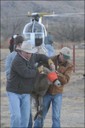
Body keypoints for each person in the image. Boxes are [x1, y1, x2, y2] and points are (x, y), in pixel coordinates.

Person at [6, 40, 55, 128]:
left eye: (30, 52)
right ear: (21, 51)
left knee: (25, 119)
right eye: (27, 52)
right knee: (16, 116)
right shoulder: (17, 61)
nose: (29, 54)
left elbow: (42, 56)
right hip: (14, 92)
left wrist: (50, 62)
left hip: (26, 92)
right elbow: (26, 73)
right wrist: (39, 70)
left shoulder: (32, 56)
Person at [34, 47, 73, 128]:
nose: (66, 59)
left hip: (58, 93)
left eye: (67, 58)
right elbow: (39, 69)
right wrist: (43, 72)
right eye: (64, 57)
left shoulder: (69, 65)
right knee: (41, 114)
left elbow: (66, 80)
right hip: (46, 92)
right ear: (60, 54)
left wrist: (56, 73)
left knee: (56, 117)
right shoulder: (50, 60)